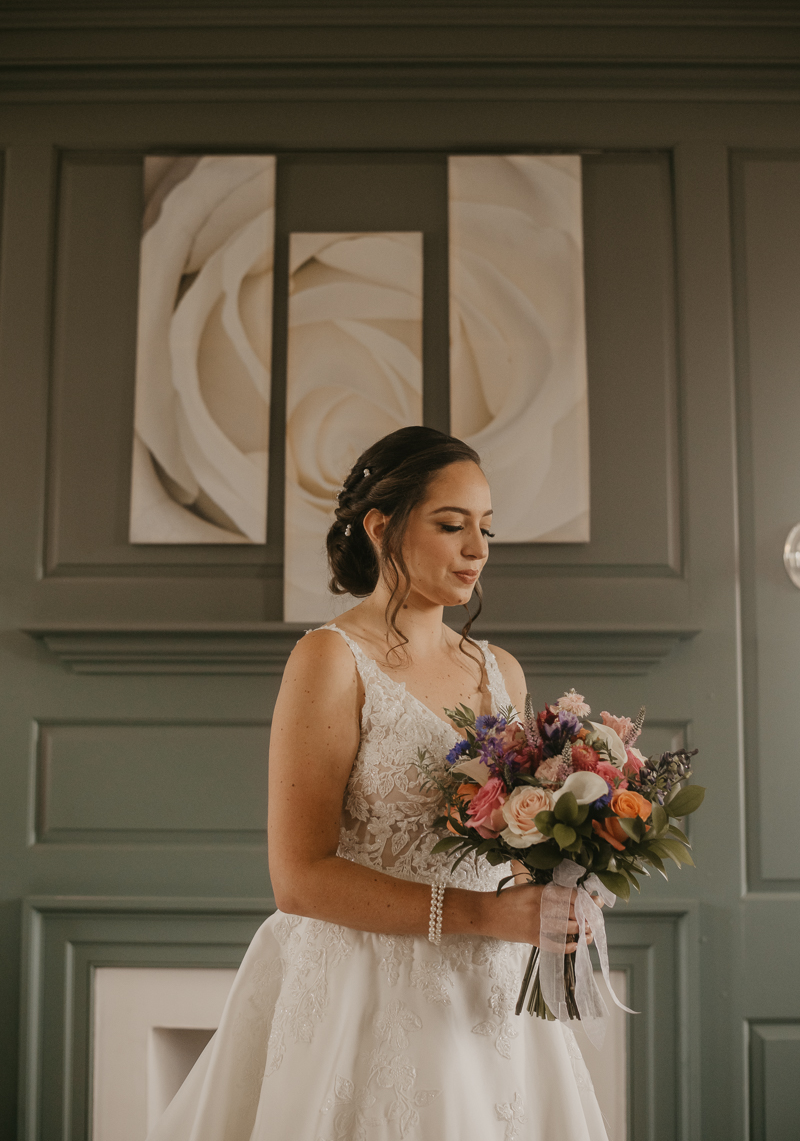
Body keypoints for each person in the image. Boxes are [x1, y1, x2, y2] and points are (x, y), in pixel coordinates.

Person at [147, 426, 608, 1141]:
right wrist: (486, 916)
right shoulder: (329, 661)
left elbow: (512, 845)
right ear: (380, 526)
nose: (477, 549)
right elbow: (298, 879)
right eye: (452, 525)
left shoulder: (500, 672)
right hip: (361, 992)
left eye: (486, 528)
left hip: (488, 1001)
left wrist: (559, 886)